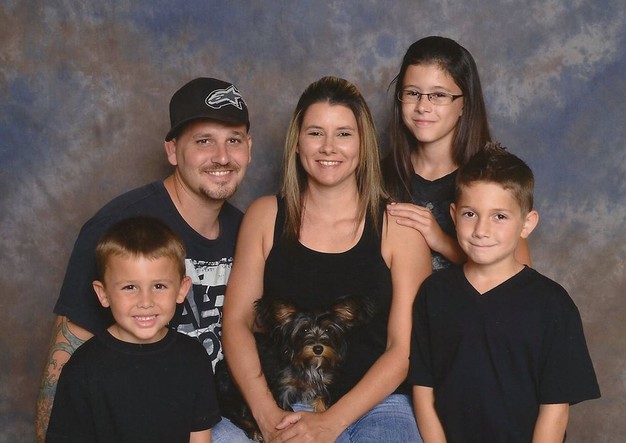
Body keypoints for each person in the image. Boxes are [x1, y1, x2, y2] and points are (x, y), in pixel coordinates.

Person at [36, 77, 254, 442]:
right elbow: (63, 366)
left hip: (210, 415)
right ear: (172, 151)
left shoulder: (246, 230)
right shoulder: (122, 227)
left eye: (233, 139)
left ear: (249, 147)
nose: (222, 156)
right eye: (203, 141)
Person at [222, 76, 432, 442]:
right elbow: (237, 323)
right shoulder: (265, 216)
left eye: (344, 134)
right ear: (297, 143)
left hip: (377, 402)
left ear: (364, 144)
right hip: (284, 395)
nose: (328, 147)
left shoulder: (400, 229)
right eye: (315, 133)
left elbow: (402, 351)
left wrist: (331, 423)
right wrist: (266, 413)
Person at [409, 143, 601, 442]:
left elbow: (555, 409)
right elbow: (423, 390)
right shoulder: (434, 294)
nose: (481, 230)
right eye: (470, 214)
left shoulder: (552, 304)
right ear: (454, 215)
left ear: (527, 224)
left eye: (499, 216)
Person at [46, 216, 220, 442]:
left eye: (159, 286)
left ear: (181, 289)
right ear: (103, 294)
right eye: (130, 287)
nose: (145, 301)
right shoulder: (83, 368)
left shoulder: (193, 358)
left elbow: (199, 437)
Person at [382, 36, 531, 271]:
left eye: (439, 95)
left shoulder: (489, 177)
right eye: (412, 93)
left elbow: (518, 277)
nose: (422, 107)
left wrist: (441, 241)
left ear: (465, 104)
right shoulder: (378, 176)